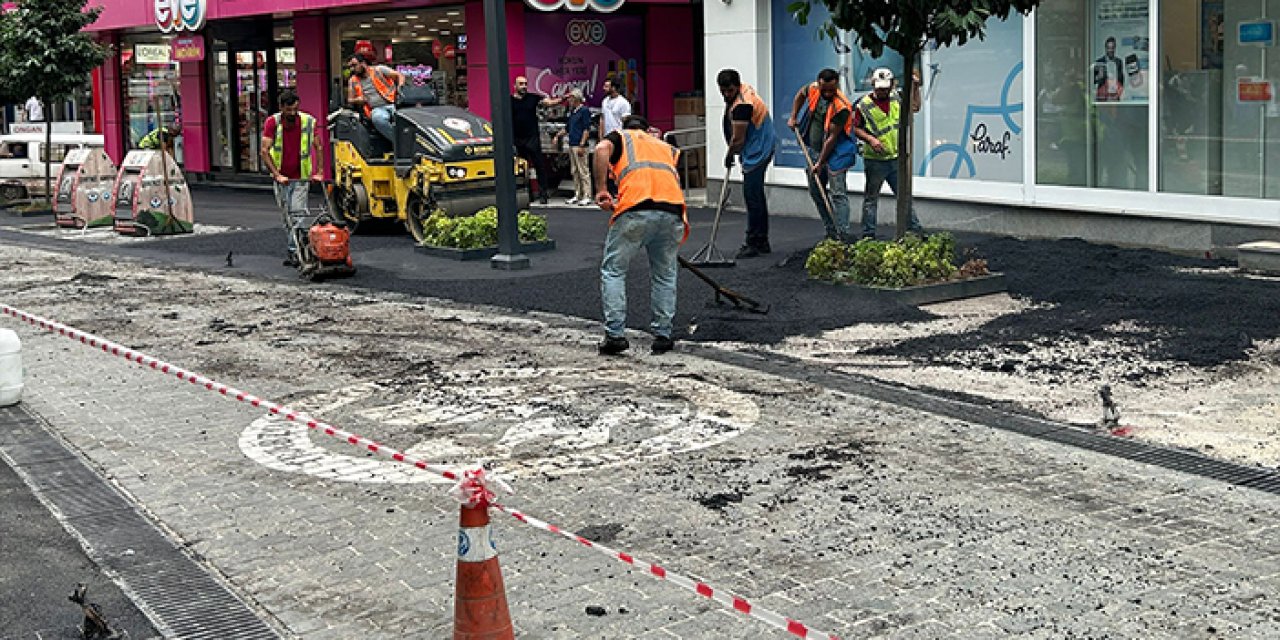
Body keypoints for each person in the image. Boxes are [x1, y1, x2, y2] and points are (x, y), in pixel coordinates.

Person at [593, 114, 687, 356]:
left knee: (614, 270)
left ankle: (615, 334)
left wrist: (602, 189)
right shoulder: (665, 147)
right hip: (673, 212)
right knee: (665, 275)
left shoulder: (621, 138)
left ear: (627, 128)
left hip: (636, 210)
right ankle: (663, 335)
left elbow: (601, 148)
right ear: (647, 129)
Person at [852, 67, 924, 239]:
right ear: (873, 85)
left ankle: (914, 230)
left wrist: (915, 88)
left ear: (892, 85)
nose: (882, 91)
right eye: (879, 88)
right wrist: (871, 139)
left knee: (904, 197)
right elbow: (855, 128)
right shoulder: (863, 105)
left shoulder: (897, 98)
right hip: (875, 159)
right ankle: (868, 235)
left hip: (896, 157)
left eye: (885, 88)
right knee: (871, 199)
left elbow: (915, 107)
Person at [787, 68, 858, 241]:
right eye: (824, 89)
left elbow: (832, 138)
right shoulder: (812, 89)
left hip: (837, 152)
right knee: (816, 190)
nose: (827, 93)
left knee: (838, 193)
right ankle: (830, 230)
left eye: (831, 90)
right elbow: (800, 95)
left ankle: (843, 234)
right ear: (818, 83)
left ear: (837, 86)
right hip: (813, 149)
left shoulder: (842, 107)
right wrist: (793, 116)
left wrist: (820, 162)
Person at [717, 68, 777, 258]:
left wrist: (729, 155)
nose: (727, 95)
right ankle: (762, 241)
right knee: (756, 194)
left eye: (730, 91)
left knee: (752, 195)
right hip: (756, 146)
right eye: (723, 91)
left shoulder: (743, 105)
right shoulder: (743, 91)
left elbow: (738, 139)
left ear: (737, 86)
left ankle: (754, 241)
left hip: (758, 150)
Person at [260, 90, 324, 267]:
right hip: (281, 177)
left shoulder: (308, 121)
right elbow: (264, 151)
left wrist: (319, 171)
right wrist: (276, 174)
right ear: (282, 108)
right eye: (289, 110)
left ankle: (299, 252)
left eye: (295, 109)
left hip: (301, 176)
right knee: (287, 216)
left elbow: (318, 146)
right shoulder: (272, 122)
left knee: (298, 214)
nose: (293, 114)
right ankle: (293, 249)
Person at [511, 76, 563, 205]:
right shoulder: (509, 100)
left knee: (539, 166)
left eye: (525, 84)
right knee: (522, 169)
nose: (524, 86)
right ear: (515, 86)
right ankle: (526, 194)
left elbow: (549, 102)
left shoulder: (532, 98)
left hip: (532, 138)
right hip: (517, 139)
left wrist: (563, 98)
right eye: (521, 84)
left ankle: (543, 194)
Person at [347, 54, 404, 142]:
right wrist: (358, 100)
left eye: (354, 65)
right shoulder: (353, 80)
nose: (352, 69)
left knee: (406, 118)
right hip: (376, 109)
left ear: (363, 63)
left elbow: (399, 75)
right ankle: (400, 142)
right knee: (378, 119)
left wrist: (400, 87)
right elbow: (349, 100)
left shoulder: (379, 69)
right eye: (350, 67)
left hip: (394, 104)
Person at [554, 89, 593, 206]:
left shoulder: (584, 111)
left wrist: (582, 144)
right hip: (572, 144)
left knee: (583, 171)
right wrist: (557, 135)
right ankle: (578, 193)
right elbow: (567, 128)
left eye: (571, 98)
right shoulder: (572, 112)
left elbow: (586, 129)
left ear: (576, 98)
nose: (569, 100)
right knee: (574, 171)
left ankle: (587, 195)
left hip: (579, 145)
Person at [1094, 37, 1124, 102]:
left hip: (1115, 96)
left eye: (1112, 48)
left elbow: (1121, 79)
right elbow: (1093, 80)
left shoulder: (1119, 62)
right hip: (1102, 96)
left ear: (1115, 48)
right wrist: (1098, 77)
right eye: (1109, 48)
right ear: (1106, 48)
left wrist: (1119, 92)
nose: (1110, 50)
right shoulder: (1100, 62)